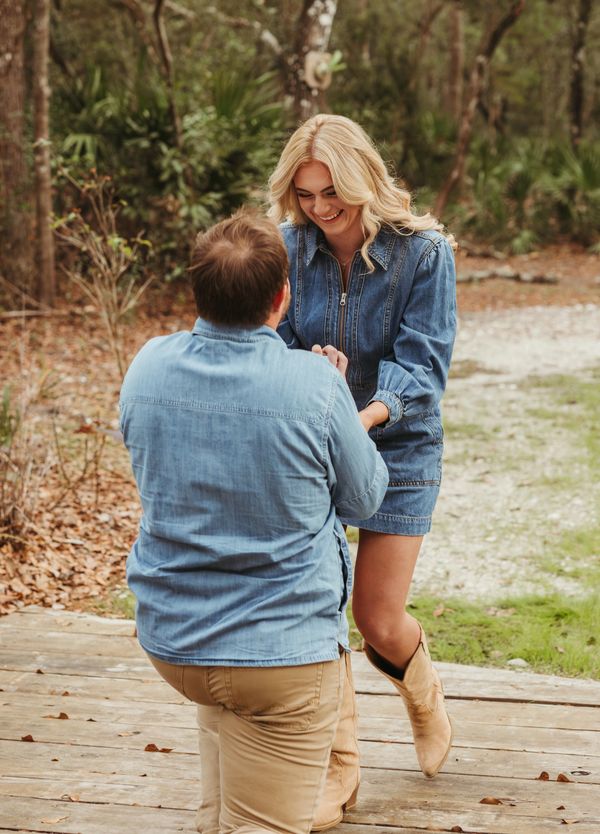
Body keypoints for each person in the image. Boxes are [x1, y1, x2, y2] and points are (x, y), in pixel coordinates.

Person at [119, 209, 388, 834]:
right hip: (281, 658)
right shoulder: (315, 386)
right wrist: (339, 402)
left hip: (175, 644)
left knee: (218, 819)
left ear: (197, 293)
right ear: (282, 297)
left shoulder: (147, 367)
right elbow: (366, 498)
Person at [268, 114, 457, 830]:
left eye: (333, 196)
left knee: (374, 617)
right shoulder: (287, 249)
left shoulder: (424, 254)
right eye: (307, 194)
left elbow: (423, 366)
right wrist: (308, 379)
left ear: (363, 183)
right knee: (321, 608)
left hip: (398, 444)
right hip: (313, 445)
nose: (319, 209)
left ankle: (423, 693)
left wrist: (361, 414)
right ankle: (337, 771)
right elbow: (275, 338)